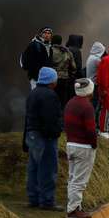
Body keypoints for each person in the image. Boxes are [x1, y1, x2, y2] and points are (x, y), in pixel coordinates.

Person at [23, 67, 63, 210]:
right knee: (48, 169)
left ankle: (33, 199)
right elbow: (50, 119)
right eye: (55, 79)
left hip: (32, 135)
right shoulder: (50, 95)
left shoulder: (33, 93)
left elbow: (28, 117)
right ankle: (47, 201)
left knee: (33, 168)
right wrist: (55, 133)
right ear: (50, 80)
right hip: (45, 137)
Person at [64, 78, 97, 218]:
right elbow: (90, 130)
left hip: (70, 144)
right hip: (83, 147)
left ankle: (74, 206)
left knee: (72, 178)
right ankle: (73, 210)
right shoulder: (87, 107)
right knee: (79, 181)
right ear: (89, 90)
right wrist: (94, 144)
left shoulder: (70, 103)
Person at [51, 34, 77, 109]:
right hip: (64, 79)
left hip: (52, 79)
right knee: (62, 101)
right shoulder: (67, 51)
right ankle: (62, 118)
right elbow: (74, 67)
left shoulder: (49, 51)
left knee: (52, 101)